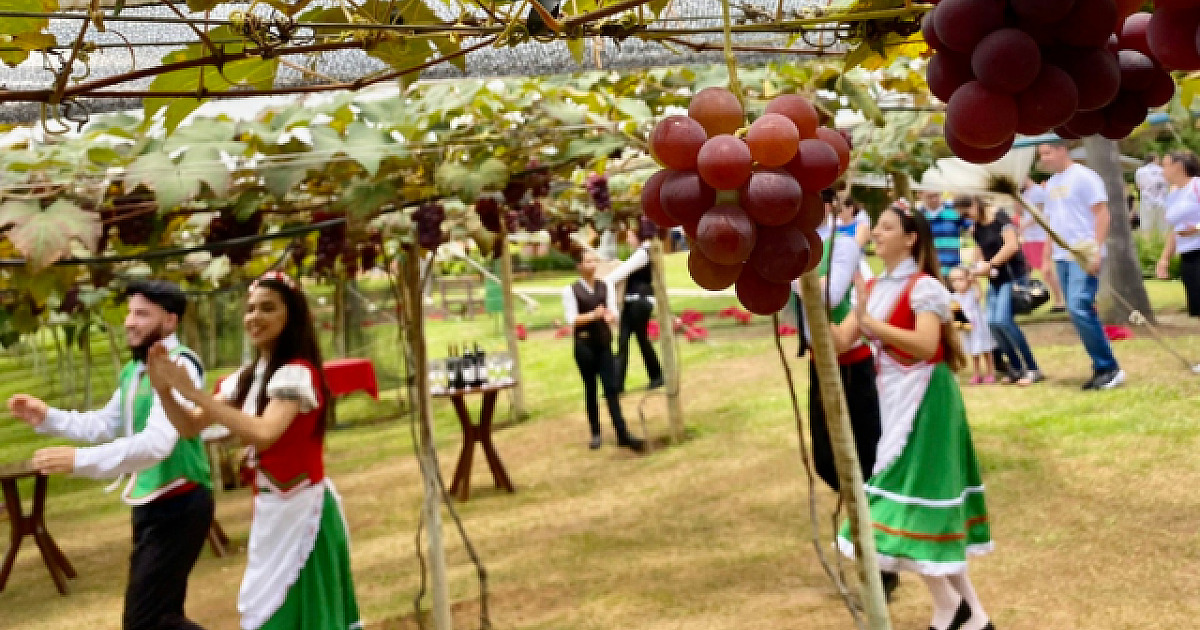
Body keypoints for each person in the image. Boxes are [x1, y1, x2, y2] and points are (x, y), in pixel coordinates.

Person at [144, 270, 361, 630]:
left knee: (293, 616)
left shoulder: (297, 372)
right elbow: (189, 427)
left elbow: (265, 432)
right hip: (271, 510)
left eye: (267, 308)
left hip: (304, 512)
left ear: (290, 315)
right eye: (250, 309)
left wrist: (194, 392)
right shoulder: (248, 376)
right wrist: (166, 390)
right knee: (266, 611)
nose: (254, 317)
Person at [7, 280, 212, 630]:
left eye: (142, 314)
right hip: (151, 504)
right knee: (161, 618)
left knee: (145, 621)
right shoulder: (135, 370)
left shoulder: (181, 366)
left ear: (170, 321)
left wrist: (80, 461)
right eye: (130, 312)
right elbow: (107, 423)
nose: (130, 321)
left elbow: (156, 444)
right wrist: (49, 417)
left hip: (181, 502)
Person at [830, 205, 994, 630]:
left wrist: (871, 325)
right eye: (877, 227)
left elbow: (926, 345)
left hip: (927, 400)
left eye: (887, 227)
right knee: (915, 505)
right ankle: (972, 616)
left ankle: (949, 607)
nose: (877, 234)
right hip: (894, 398)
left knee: (903, 503)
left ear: (910, 239)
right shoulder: (873, 287)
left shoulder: (924, 287)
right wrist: (799, 296)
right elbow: (842, 339)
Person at [793, 198, 898, 598]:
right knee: (826, 459)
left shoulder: (844, 241)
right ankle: (868, 533)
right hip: (822, 362)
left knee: (865, 460)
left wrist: (790, 277)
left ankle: (879, 556)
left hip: (852, 366)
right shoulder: (802, 244)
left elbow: (829, 297)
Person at [1038, 141, 1125, 390]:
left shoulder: (1085, 177)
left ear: (1062, 149)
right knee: (1077, 311)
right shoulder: (1052, 184)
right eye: (1041, 154)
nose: (1044, 159)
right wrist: (1046, 258)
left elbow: (1102, 214)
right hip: (1061, 257)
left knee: (1079, 307)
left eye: (1047, 152)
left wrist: (1096, 250)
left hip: (1083, 254)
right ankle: (1101, 367)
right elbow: (1050, 224)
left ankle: (1109, 367)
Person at [563, 250, 645, 451]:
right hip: (584, 346)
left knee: (611, 388)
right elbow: (572, 320)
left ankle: (622, 432)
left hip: (603, 344)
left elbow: (613, 311)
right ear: (579, 266)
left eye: (594, 261)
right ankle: (595, 432)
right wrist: (593, 315)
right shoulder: (570, 291)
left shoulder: (605, 286)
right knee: (590, 388)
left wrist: (610, 317)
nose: (592, 264)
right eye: (588, 261)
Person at [955, 195, 1043, 385]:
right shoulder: (977, 227)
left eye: (967, 212)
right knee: (992, 324)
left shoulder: (1000, 217)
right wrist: (973, 269)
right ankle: (1015, 368)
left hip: (1012, 277)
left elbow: (1012, 245)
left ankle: (1032, 368)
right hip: (995, 280)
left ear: (975, 203)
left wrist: (990, 264)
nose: (967, 217)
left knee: (1003, 320)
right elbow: (979, 251)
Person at [604, 218, 664, 392]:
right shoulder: (644, 251)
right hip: (634, 302)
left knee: (639, 340)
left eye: (630, 235)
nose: (628, 239)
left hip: (639, 302)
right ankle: (617, 384)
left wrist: (612, 307)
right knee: (624, 341)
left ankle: (657, 376)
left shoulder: (644, 252)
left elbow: (614, 277)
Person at [1156, 150, 1200, 317]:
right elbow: (1174, 230)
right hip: (1187, 255)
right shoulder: (1173, 194)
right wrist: (1164, 258)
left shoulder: (1196, 185)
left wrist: (1197, 228)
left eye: (1165, 165)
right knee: (1195, 308)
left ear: (1179, 166)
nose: (1162, 170)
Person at [1016, 178, 1065, 312]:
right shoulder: (1025, 193)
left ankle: (1060, 301)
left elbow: (1039, 214)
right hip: (1029, 238)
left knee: (1046, 272)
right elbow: (1020, 212)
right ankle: (1026, 301)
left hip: (1039, 237)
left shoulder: (1037, 191)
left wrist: (1022, 226)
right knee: (1026, 271)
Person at [947, 266, 996, 385]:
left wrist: (976, 283)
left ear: (968, 280)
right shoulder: (954, 297)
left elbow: (979, 296)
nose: (957, 283)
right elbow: (955, 313)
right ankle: (976, 374)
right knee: (974, 352)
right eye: (953, 280)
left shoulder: (972, 293)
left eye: (960, 279)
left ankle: (990, 372)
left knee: (986, 351)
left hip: (979, 329)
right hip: (968, 329)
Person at [918, 188, 972, 278]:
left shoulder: (954, 208)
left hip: (954, 272)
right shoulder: (918, 215)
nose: (934, 199)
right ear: (920, 195)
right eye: (930, 197)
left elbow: (973, 228)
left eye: (937, 195)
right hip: (929, 272)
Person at [1136, 153, 1169, 234]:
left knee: (1146, 227)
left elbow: (1138, 186)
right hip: (1162, 202)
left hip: (1146, 202)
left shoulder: (1140, 171)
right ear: (1155, 159)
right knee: (1163, 228)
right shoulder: (1163, 170)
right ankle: (1162, 244)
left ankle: (1146, 245)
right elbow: (1168, 184)